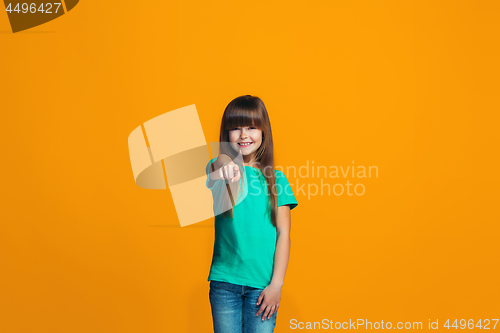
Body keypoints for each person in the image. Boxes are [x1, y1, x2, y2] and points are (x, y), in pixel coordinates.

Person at [205, 95, 298, 333]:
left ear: (263, 132)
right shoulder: (222, 169)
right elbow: (214, 168)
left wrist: (276, 285)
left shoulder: (276, 180)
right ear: (226, 135)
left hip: (263, 287)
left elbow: (284, 235)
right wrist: (225, 164)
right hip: (225, 284)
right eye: (235, 128)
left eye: (251, 127)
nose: (243, 134)